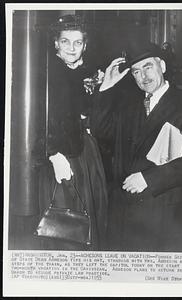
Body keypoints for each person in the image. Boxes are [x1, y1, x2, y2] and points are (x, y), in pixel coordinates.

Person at [91, 42, 182, 252]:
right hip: (125, 217)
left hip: (166, 213)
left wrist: (148, 178)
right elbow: (100, 132)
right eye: (136, 72)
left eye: (148, 67)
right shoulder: (127, 106)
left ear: (162, 66)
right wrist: (106, 87)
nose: (143, 77)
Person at [39, 15, 108, 251]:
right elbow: (41, 118)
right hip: (60, 153)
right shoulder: (47, 72)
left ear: (85, 45)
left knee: (88, 213)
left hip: (84, 151)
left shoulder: (81, 71)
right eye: (65, 41)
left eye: (77, 42)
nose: (71, 47)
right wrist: (54, 154)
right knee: (66, 218)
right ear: (56, 43)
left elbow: (83, 111)